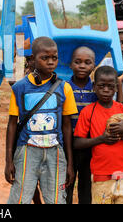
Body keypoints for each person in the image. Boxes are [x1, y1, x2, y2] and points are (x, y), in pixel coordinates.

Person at [5, 37, 78, 204]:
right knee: (20, 199)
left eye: (54, 58)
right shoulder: (19, 88)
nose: (51, 62)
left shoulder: (64, 88)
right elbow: (11, 126)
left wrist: (69, 163)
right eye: (45, 58)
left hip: (55, 152)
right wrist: (9, 161)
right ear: (32, 59)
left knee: (56, 200)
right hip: (27, 151)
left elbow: (67, 127)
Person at [74, 66, 123, 204]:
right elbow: (77, 143)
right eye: (101, 86)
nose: (105, 90)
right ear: (94, 87)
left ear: (116, 88)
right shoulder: (88, 112)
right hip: (101, 176)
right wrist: (101, 139)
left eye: (110, 87)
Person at [65, 46, 98, 204]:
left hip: (89, 144)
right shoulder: (64, 87)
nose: (82, 66)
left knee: (86, 186)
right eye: (77, 62)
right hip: (68, 143)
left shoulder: (97, 89)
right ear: (70, 65)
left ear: (94, 65)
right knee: (67, 183)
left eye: (87, 62)